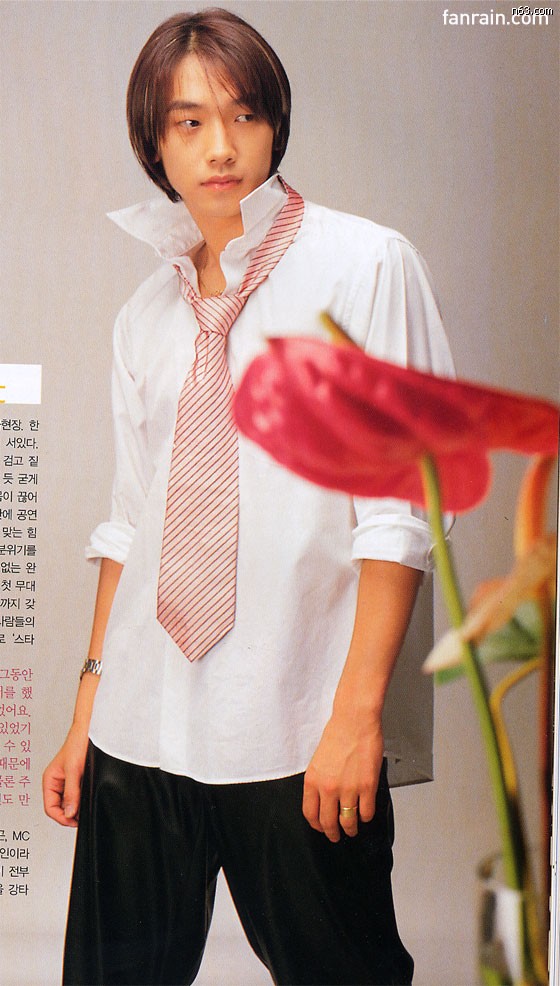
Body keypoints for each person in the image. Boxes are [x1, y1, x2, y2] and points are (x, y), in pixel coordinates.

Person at [43, 8, 454, 985]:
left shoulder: (364, 266)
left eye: (241, 115)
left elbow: (401, 509)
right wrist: (87, 707)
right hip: (142, 722)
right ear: (153, 143)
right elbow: (131, 523)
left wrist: (356, 716)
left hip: (295, 718)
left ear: (275, 123)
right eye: (187, 123)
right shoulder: (145, 314)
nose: (219, 147)